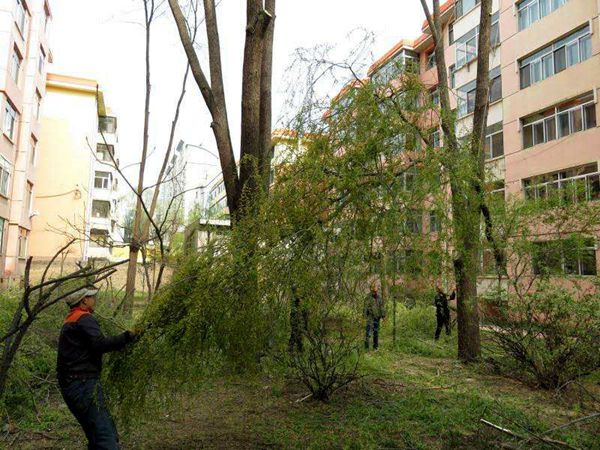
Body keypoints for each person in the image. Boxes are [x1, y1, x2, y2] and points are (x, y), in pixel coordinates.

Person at [57, 286, 138, 450]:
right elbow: (99, 344)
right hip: (83, 385)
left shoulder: (70, 319)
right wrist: (128, 337)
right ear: (84, 301)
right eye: (92, 297)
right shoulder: (84, 318)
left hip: (73, 385)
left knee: (95, 433)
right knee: (104, 434)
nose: (95, 300)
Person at [364, 282, 385, 350]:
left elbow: (381, 307)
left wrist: (383, 316)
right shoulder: (368, 297)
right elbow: (365, 307)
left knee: (376, 332)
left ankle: (375, 347)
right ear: (371, 290)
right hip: (370, 316)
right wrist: (364, 316)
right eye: (373, 291)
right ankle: (366, 347)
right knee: (368, 331)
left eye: (375, 291)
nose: (374, 292)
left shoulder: (379, 297)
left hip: (377, 317)